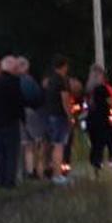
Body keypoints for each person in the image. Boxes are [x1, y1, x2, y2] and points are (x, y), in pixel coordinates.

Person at [85, 63, 112, 174]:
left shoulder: (88, 90)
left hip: (90, 121)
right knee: (109, 143)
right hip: (103, 121)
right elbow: (111, 102)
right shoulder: (102, 89)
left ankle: (95, 167)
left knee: (95, 145)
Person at [44, 55, 74, 184]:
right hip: (60, 116)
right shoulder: (62, 81)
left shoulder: (50, 80)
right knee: (59, 146)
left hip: (50, 115)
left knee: (53, 145)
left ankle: (52, 172)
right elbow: (65, 100)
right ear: (64, 66)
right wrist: (70, 116)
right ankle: (58, 175)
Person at [0, 55, 23, 189]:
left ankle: (1, 178)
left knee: (1, 152)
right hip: (11, 121)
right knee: (12, 152)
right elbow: (18, 103)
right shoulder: (14, 82)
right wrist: (21, 117)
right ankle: (10, 181)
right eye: (16, 67)